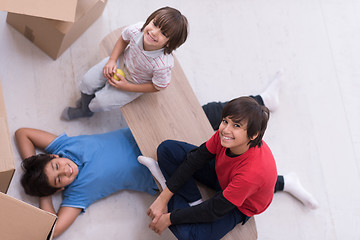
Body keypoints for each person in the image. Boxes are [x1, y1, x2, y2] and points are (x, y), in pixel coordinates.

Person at [138, 71, 319, 239]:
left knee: (189, 235)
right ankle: (193, 201)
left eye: (236, 126)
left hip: (240, 205)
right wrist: (164, 198)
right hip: (223, 175)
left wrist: (170, 218)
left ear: (253, 135)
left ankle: (165, 181)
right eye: (225, 121)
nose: (225, 129)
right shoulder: (225, 135)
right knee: (167, 150)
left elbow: (214, 209)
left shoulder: (250, 175)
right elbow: (196, 158)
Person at [15, 127, 158, 238]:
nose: (65, 171)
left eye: (57, 166)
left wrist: (33, 165)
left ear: (53, 156)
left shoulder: (64, 147)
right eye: (58, 179)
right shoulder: (78, 193)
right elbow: (54, 229)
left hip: (144, 131)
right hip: (158, 171)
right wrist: (44, 192)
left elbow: (23, 133)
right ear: (59, 189)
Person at [61, 6, 188, 120]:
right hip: (120, 62)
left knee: (98, 103)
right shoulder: (137, 29)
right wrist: (111, 60)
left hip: (135, 82)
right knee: (87, 82)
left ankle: (86, 110)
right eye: (154, 24)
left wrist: (126, 87)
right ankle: (85, 104)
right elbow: (123, 39)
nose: (154, 32)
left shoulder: (163, 65)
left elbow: (158, 86)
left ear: (169, 43)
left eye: (163, 33)